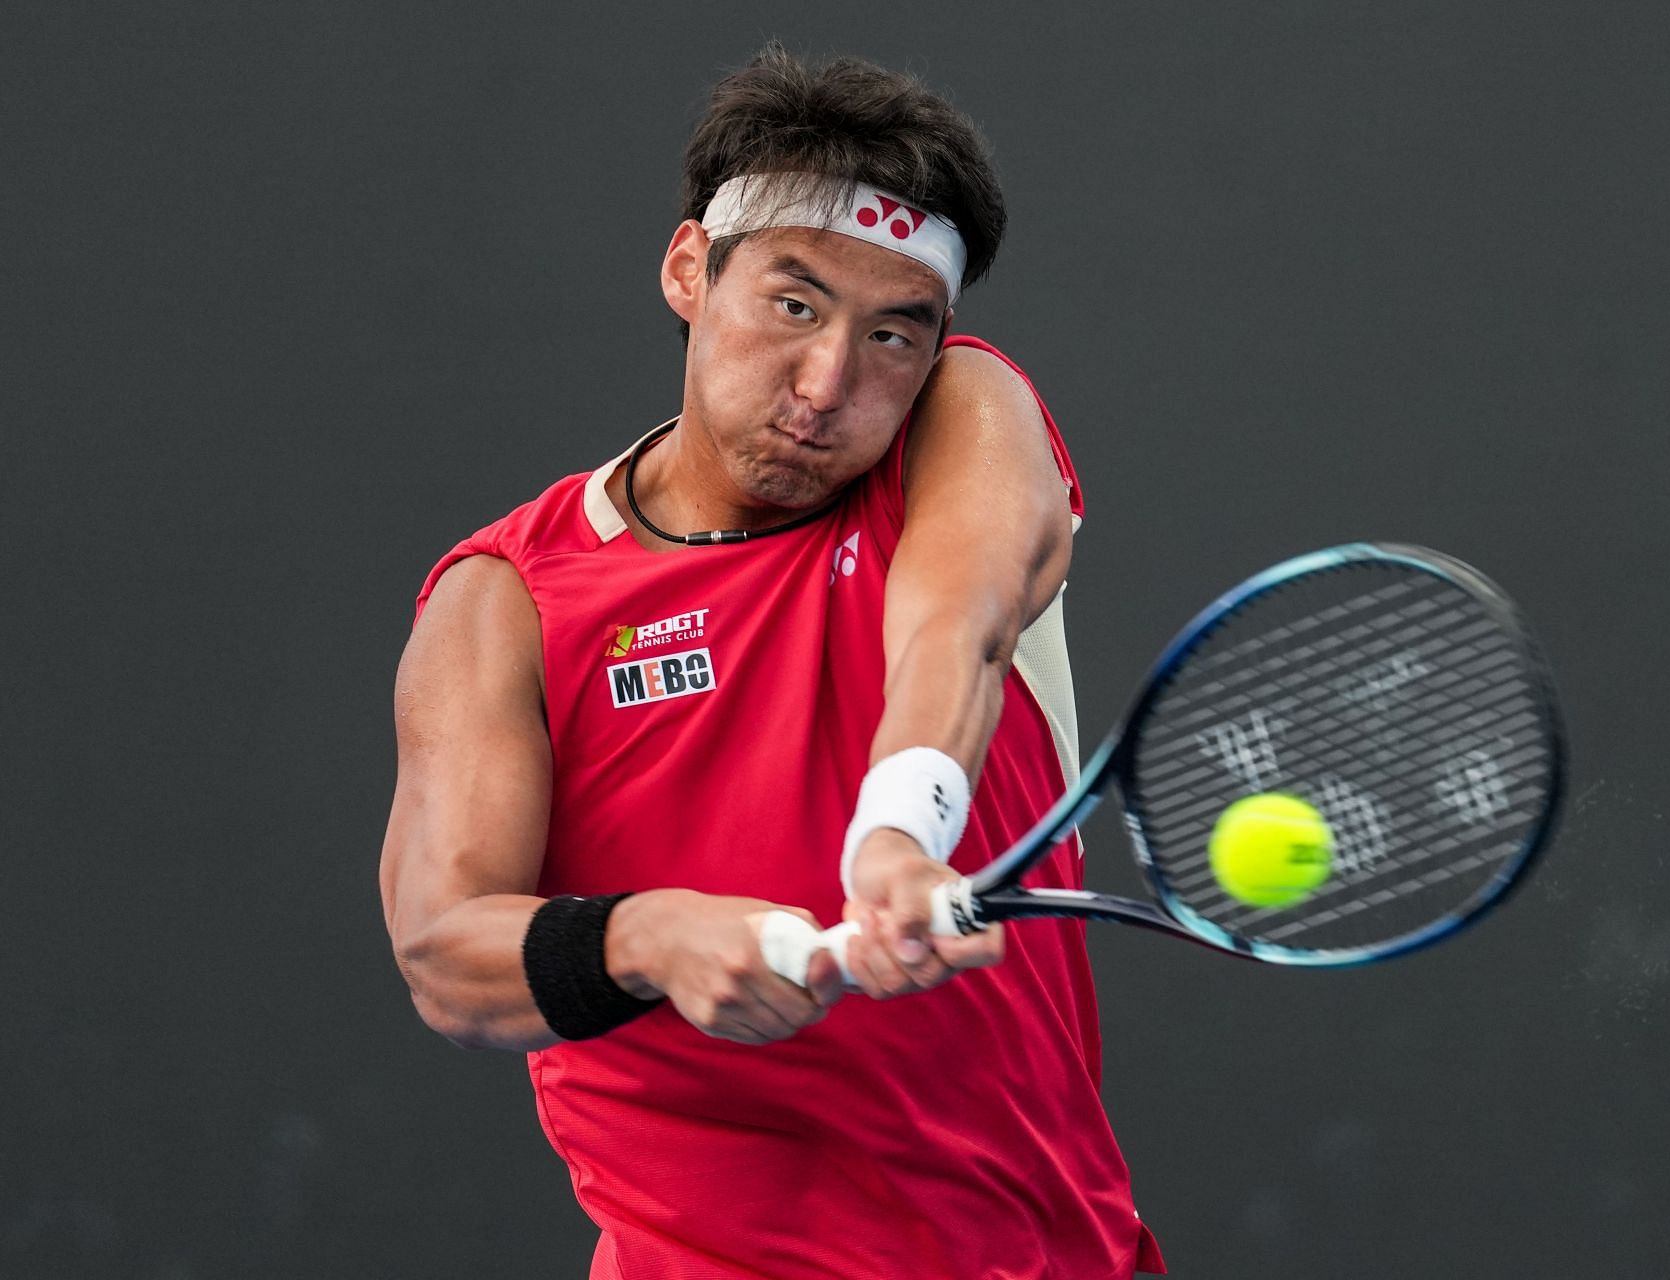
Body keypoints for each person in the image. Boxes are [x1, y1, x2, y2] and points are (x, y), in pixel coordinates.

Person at [380, 44, 1165, 1279]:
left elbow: (955, 624)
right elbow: (446, 955)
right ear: (692, 269)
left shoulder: (964, 421)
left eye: (893, 334)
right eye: (792, 305)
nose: (827, 383)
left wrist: (899, 833)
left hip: (1045, 1251)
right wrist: (647, 937)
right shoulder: (508, 599)